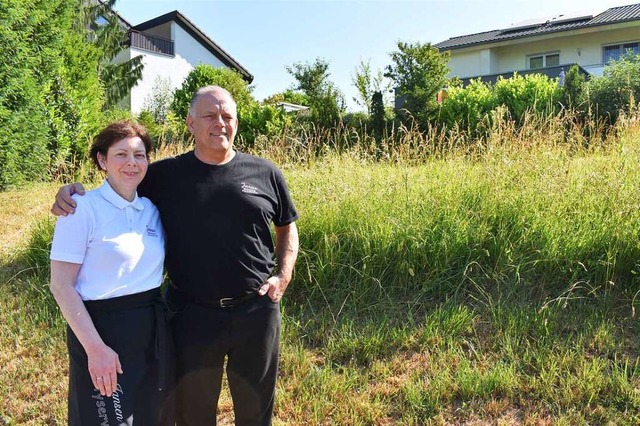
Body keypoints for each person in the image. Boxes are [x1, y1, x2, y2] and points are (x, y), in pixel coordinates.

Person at [52, 86, 300, 425]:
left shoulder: (266, 172)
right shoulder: (164, 175)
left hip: (257, 311)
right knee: (192, 412)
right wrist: (69, 192)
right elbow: (121, 179)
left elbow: (287, 226)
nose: (220, 123)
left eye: (227, 116)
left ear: (237, 122)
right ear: (191, 123)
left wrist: (283, 274)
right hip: (190, 314)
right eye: (210, 116)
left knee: (256, 410)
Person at [49, 120, 174, 425]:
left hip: (151, 330)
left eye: (140, 155)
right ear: (102, 160)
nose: (131, 163)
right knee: (107, 418)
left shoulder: (152, 209)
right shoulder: (81, 209)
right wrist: (96, 349)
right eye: (121, 154)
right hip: (101, 330)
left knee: (150, 414)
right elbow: (61, 285)